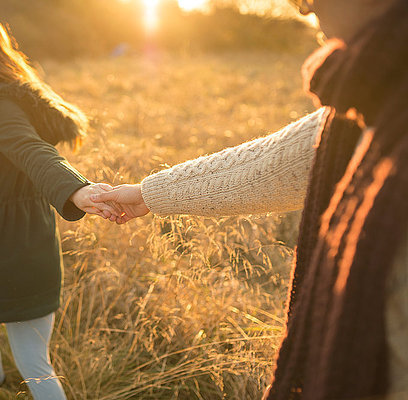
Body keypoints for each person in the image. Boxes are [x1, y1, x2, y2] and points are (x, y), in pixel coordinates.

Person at [92, 0, 408, 398]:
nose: (305, 11)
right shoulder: (366, 101)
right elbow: (270, 165)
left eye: (312, 1)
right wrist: (148, 194)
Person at [0, 7, 119, 399]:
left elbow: (32, 151)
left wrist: (76, 190)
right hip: (2, 241)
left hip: (4, 248)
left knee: (33, 363)